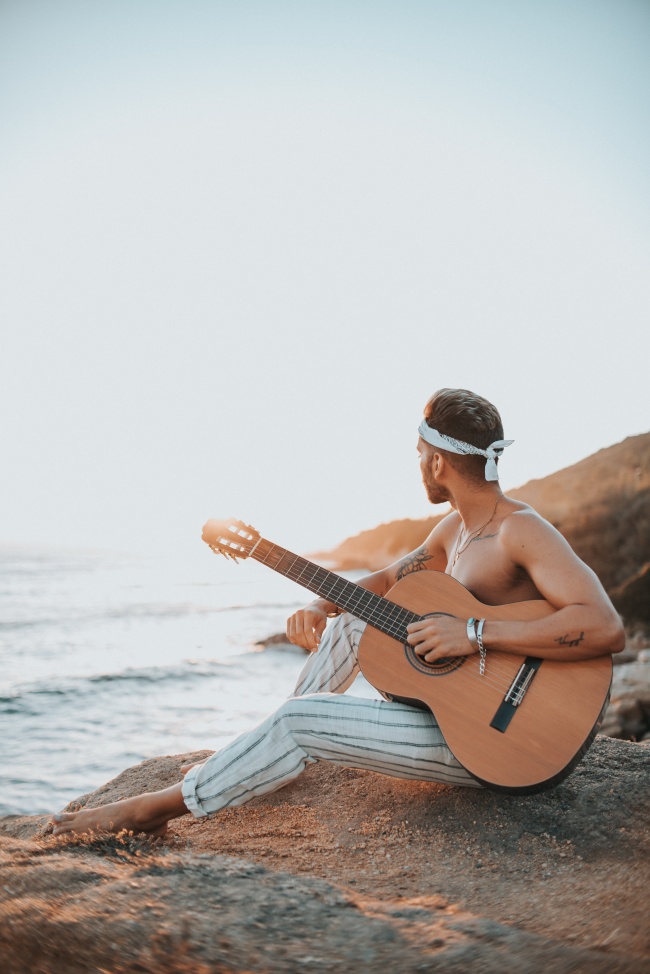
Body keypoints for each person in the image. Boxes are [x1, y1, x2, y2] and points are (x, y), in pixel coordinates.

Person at [51, 388, 625, 838]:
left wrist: (472, 631)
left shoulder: (519, 530)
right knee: (359, 617)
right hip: (453, 714)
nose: (418, 463)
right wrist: (317, 601)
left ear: (441, 462)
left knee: (301, 723)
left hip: (499, 743)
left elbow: (604, 627)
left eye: (421, 453)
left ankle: (154, 808)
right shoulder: (456, 528)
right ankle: (265, 753)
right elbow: (382, 582)